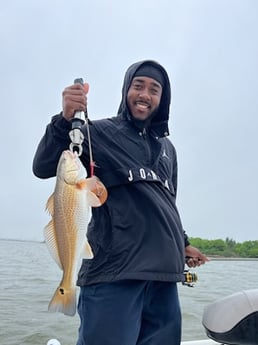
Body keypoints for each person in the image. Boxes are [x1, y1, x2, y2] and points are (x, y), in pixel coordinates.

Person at [33, 60, 208, 345]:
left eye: (154, 89)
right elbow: (42, 166)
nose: (145, 94)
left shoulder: (168, 150)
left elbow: (166, 204)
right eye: (138, 86)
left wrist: (183, 243)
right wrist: (64, 120)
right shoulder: (97, 133)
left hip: (164, 278)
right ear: (127, 89)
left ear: (162, 99)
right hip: (114, 274)